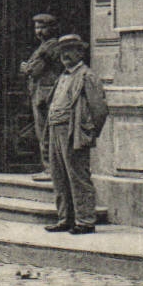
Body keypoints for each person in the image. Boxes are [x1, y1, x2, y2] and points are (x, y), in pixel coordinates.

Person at [44, 35, 108, 235]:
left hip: (73, 131)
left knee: (78, 176)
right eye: (62, 51)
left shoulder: (86, 76)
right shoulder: (62, 76)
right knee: (59, 176)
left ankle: (85, 220)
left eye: (70, 50)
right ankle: (65, 218)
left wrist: (88, 131)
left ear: (80, 53)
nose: (65, 55)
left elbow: (99, 109)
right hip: (56, 129)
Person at [18, 13, 64, 171]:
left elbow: (35, 69)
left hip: (46, 94)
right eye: (37, 27)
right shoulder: (43, 46)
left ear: (52, 28)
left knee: (45, 133)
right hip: (40, 93)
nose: (38, 31)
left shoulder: (52, 45)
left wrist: (26, 68)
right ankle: (49, 167)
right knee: (43, 132)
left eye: (43, 27)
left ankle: (51, 168)